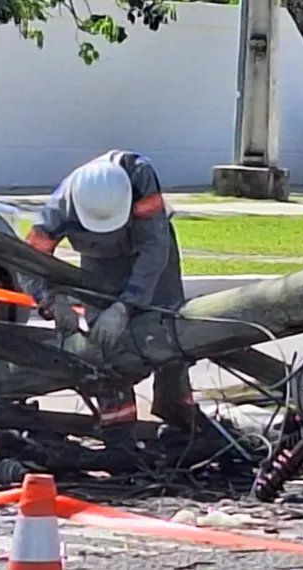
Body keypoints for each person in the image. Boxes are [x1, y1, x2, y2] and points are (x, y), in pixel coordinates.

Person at [25, 150, 202, 443]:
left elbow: (154, 248)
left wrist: (125, 306)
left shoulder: (140, 177)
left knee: (170, 335)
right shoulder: (57, 210)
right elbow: (30, 259)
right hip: (100, 264)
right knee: (105, 349)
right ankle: (118, 431)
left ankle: (180, 419)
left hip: (153, 259)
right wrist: (51, 299)